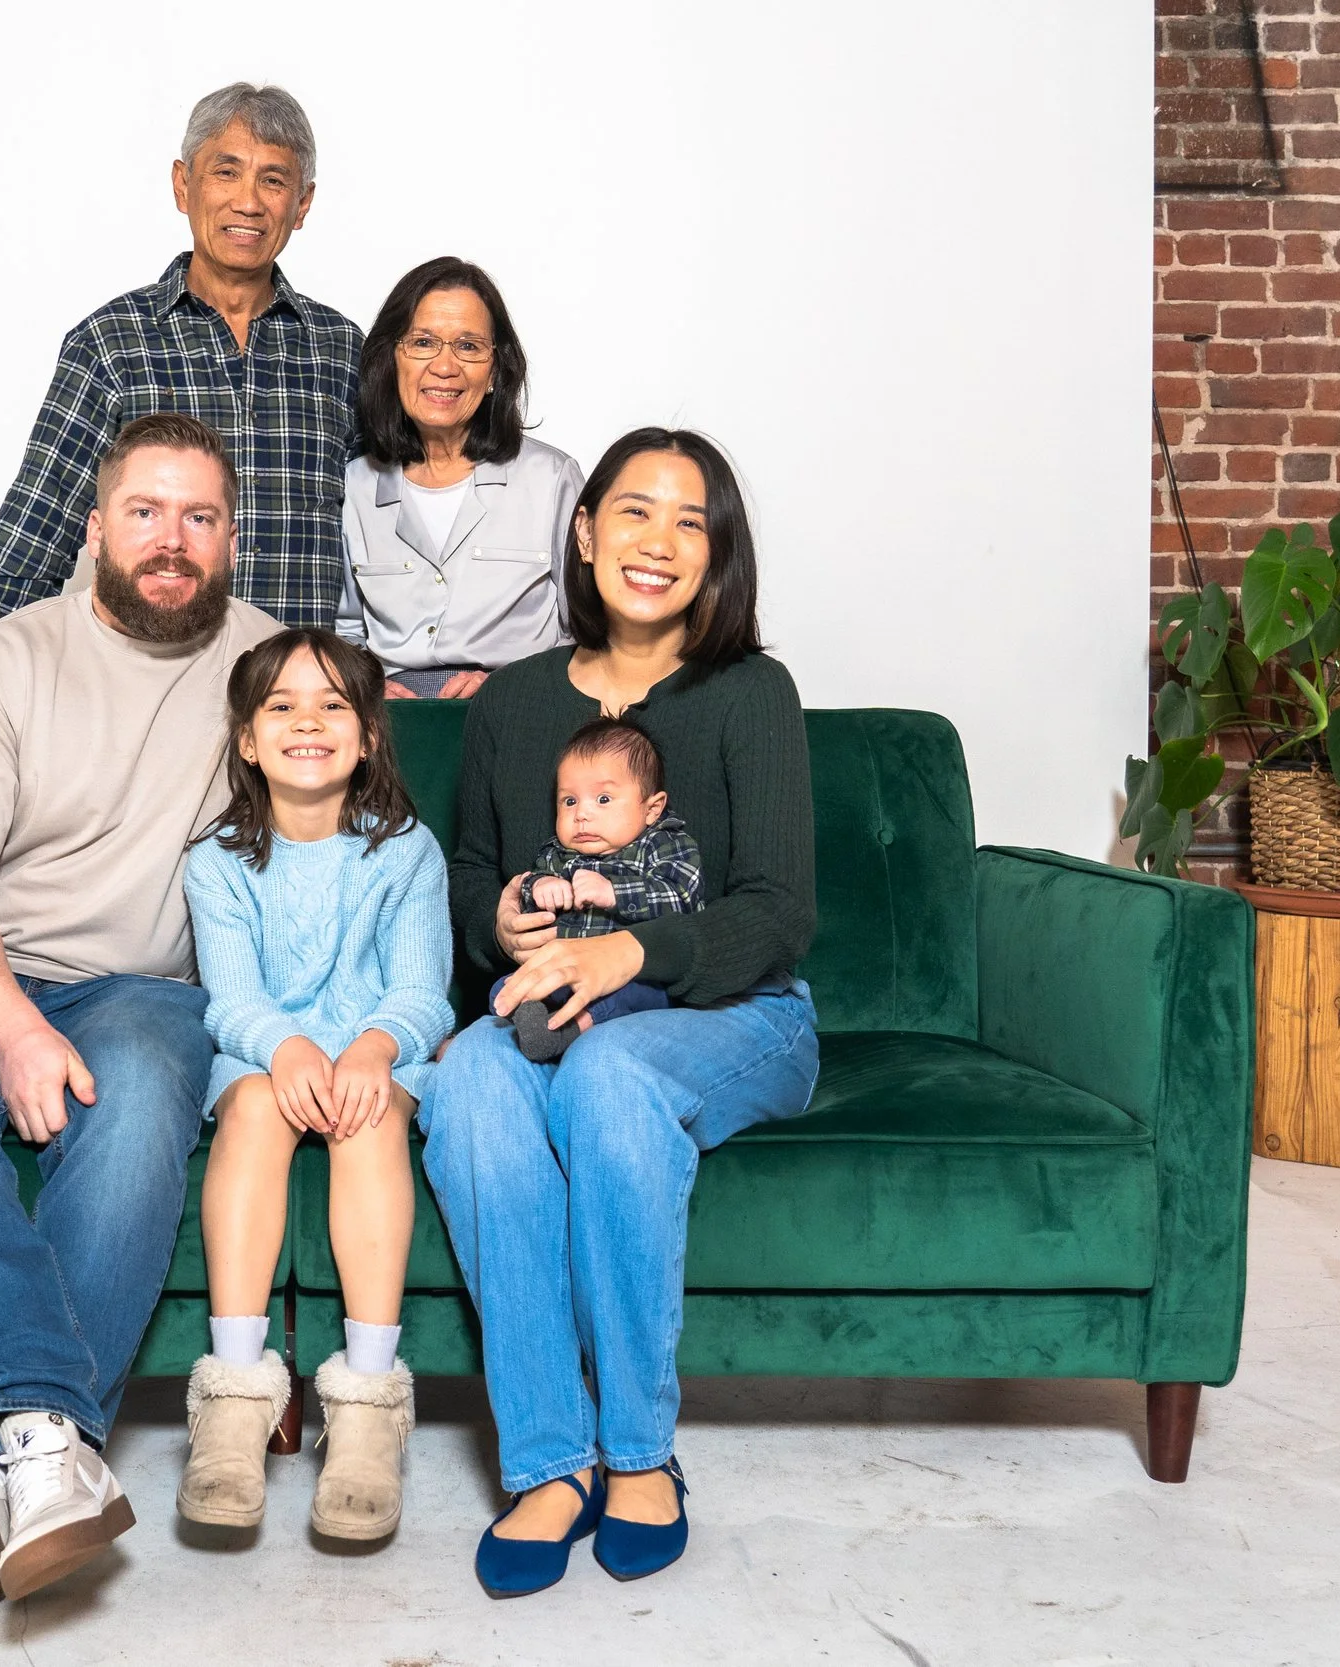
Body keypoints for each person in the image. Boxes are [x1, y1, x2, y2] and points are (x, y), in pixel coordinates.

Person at [0, 413, 280, 1608]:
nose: (170, 539)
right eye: (144, 511)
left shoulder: (270, 672)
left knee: (137, 1108)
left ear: (230, 538)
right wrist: (17, 1027)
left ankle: (15, 1452)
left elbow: (344, 821)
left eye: (199, 516)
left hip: (147, 990)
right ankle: (56, 1446)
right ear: (93, 528)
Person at [418, 427, 820, 1599]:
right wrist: (501, 920)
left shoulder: (750, 693)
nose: (659, 540)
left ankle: (640, 1450)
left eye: (691, 522)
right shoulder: (513, 704)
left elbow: (779, 911)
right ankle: (551, 1459)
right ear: (587, 532)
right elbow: (470, 872)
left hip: (735, 1010)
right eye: (635, 511)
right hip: (552, 1000)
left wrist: (630, 949)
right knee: (470, 1078)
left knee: (611, 1074)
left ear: (716, 554)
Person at [0, 83, 361, 723]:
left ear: (302, 204)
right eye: (225, 172)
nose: (248, 201)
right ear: (182, 185)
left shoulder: (342, 351)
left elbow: (395, 524)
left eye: (273, 180)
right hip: (150, 707)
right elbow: (36, 527)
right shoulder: (110, 344)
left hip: (302, 714)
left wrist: (432, 665)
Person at [174, 628, 452, 1542]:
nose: (308, 722)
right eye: (282, 706)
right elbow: (232, 999)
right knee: (255, 1105)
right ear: (248, 741)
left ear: (368, 736)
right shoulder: (217, 861)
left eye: (333, 705)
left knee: (367, 1119)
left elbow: (422, 991)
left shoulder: (406, 851)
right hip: (266, 1055)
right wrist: (286, 1047)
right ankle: (234, 1396)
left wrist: (373, 1048)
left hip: (377, 1053)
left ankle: (368, 1404)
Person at [335, 256, 581, 701]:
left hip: (518, 706)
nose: (445, 367)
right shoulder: (357, 484)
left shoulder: (551, 479)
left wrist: (513, 687)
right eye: (423, 342)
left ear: (495, 371)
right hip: (394, 717)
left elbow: (585, 630)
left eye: (468, 346)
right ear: (392, 360)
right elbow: (348, 630)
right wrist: (369, 686)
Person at [498, 717, 703, 1062]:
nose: (582, 814)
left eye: (603, 799)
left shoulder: (665, 845)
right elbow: (528, 890)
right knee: (505, 985)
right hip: (563, 973)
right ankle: (531, 1017)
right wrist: (540, 886)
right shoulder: (558, 854)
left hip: (633, 978)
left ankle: (575, 1027)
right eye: (569, 801)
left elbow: (683, 899)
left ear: (652, 808)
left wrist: (615, 892)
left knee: (643, 994)